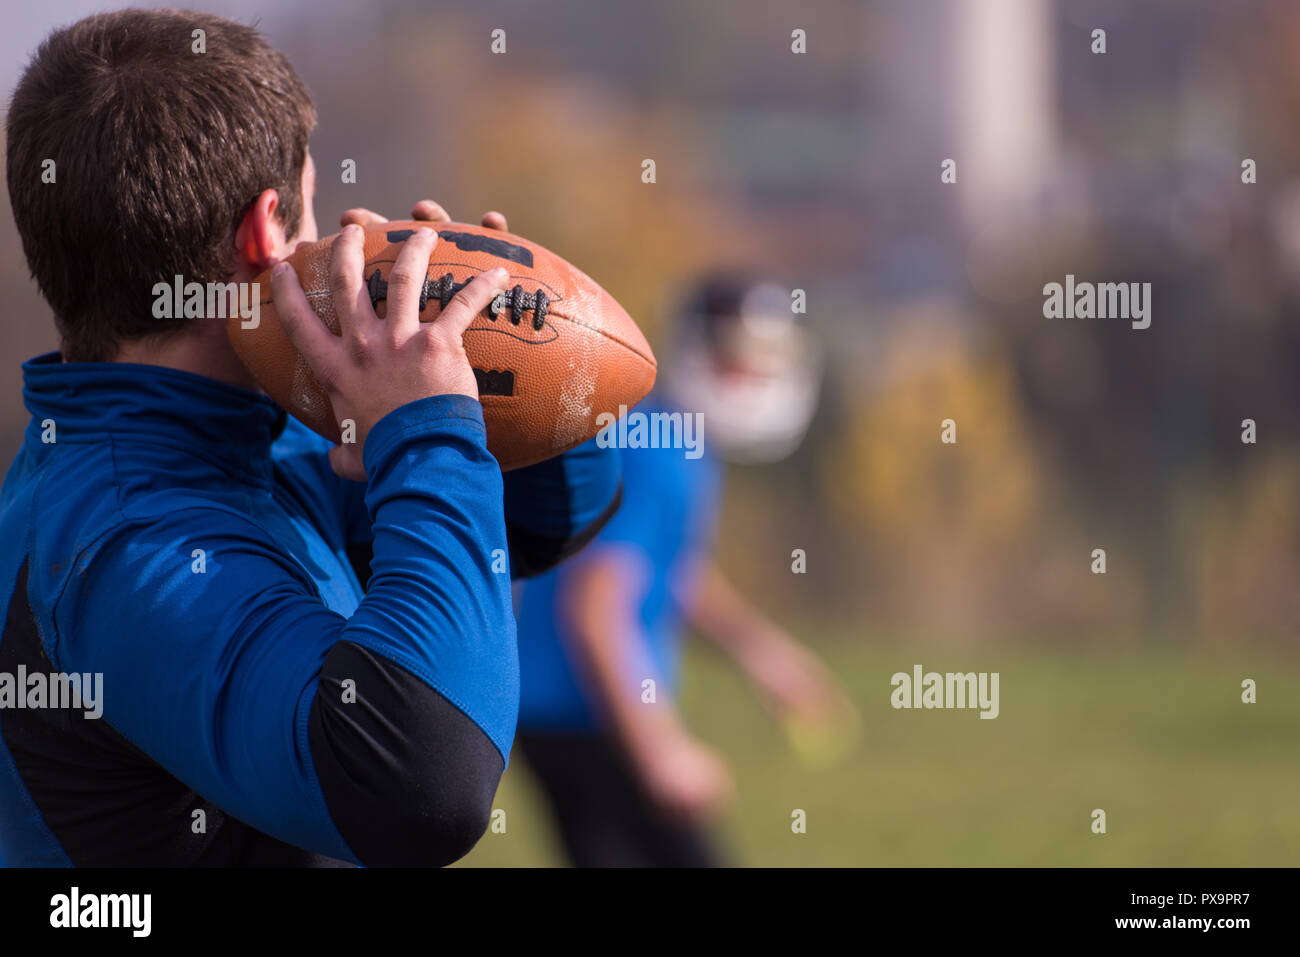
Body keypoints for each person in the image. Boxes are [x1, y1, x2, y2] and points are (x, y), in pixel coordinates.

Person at [0, 9, 620, 867]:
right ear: (264, 234)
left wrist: (495, 360)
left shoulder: (258, 436)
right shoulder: (126, 539)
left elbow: (546, 524)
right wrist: (427, 433)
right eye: (314, 206)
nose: (336, 242)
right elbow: (424, 787)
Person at [514, 274, 854, 867]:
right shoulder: (662, 450)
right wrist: (660, 751)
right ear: (698, 348)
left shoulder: (673, 433)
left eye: (768, 357)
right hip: (582, 718)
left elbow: (668, 571)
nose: (752, 375)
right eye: (736, 355)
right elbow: (594, 607)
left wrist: (761, 654)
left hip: (566, 713)